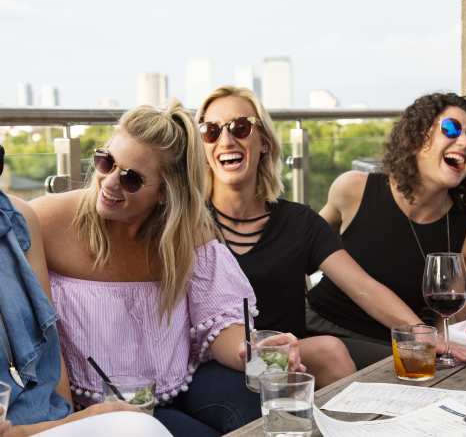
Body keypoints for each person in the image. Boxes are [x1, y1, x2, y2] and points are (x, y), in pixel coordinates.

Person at [31, 101, 293, 437]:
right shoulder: (46, 221)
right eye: (106, 162)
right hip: (100, 405)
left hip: (179, 385)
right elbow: (35, 331)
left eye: (131, 179)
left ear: (165, 195)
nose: (110, 182)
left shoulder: (189, 233)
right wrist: (64, 418)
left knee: (262, 410)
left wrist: (249, 350)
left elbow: (221, 320)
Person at [195, 86, 466, 374]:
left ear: (264, 141)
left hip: (316, 353)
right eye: (210, 131)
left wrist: (427, 338)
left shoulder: (297, 222)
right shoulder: (187, 226)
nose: (225, 139)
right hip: (290, 340)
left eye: (240, 127)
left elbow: (364, 286)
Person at [0, 96, 168, 436]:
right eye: (106, 164)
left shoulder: (15, 225)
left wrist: (71, 420)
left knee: (142, 427)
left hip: (48, 427)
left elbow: (49, 353)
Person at [308, 92, 466, 345]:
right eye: (452, 128)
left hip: (402, 345)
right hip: (323, 329)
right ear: (416, 137)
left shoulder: (463, 225)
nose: (464, 141)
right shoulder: (354, 189)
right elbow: (303, 249)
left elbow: (450, 321)